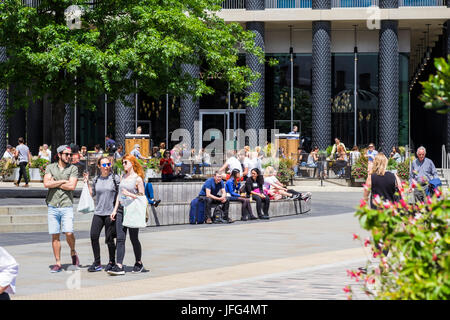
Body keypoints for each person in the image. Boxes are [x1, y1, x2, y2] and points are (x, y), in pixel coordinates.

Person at [43, 145, 79, 273]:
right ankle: (57, 262)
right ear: (59, 155)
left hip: (66, 205)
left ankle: (73, 252)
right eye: (66, 154)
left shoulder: (73, 168)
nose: (69, 156)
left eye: (70, 154)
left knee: (68, 232)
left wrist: (56, 182)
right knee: (55, 236)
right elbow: (46, 184)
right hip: (53, 205)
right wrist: (64, 181)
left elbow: (72, 186)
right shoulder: (50, 167)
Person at [108, 154, 146, 275]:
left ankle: (138, 262)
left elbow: (142, 197)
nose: (123, 164)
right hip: (121, 210)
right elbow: (119, 195)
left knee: (134, 238)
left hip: (132, 210)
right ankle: (119, 265)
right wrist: (115, 209)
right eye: (123, 162)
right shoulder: (122, 177)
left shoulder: (138, 179)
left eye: (125, 162)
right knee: (120, 238)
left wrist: (129, 194)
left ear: (132, 163)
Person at [83, 157, 120, 272]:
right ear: (99, 166)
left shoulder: (115, 178)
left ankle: (111, 261)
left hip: (110, 213)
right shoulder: (96, 179)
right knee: (93, 236)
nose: (106, 167)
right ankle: (97, 262)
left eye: (108, 164)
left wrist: (115, 210)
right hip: (98, 212)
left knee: (109, 239)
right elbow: (92, 193)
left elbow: (120, 194)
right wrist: (87, 182)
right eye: (104, 165)